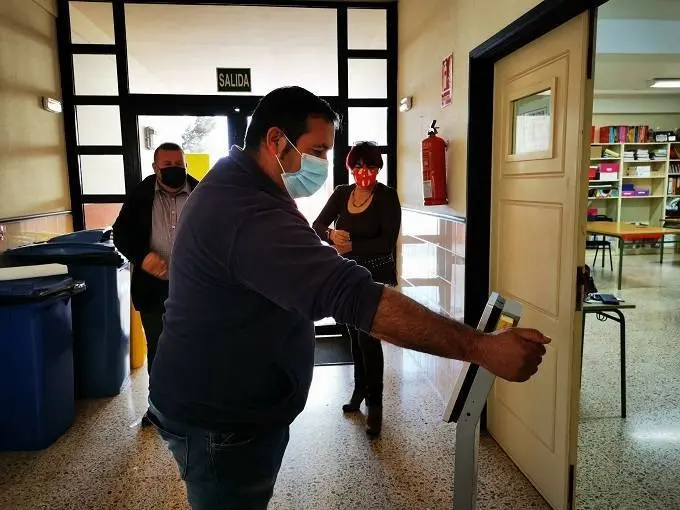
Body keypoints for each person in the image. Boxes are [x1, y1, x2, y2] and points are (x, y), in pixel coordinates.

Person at [147, 86, 550, 510]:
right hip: (221, 424)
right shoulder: (245, 208)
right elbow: (353, 297)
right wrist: (480, 347)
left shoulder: (246, 185)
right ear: (275, 141)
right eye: (317, 150)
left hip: (228, 408)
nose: (321, 164)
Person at [312, 141, 401, 437]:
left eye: (371, 165)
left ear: (378, 167)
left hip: (374, 276)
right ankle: (359, 390)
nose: (365, 171)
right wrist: (330, 233)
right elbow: (317, 224)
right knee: (353, 333)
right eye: (359, 165)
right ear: (351, 167)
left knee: (369, 338)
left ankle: (375, 406)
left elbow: (387, 242)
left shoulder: (387, 197)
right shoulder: (341, 193)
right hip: (347, 274)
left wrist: (353, 245)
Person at [112, 142, 198, 426]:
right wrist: (142, 257)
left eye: (179, 164)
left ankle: (193, 406)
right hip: (153, 287)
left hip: (193, 288)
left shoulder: (201, 193)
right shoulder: (140, 195)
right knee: (159, 349)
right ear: (155, 167)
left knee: (194, 348)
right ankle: (159, 409)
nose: (174, 169)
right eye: (167, 165)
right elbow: (120, 234)